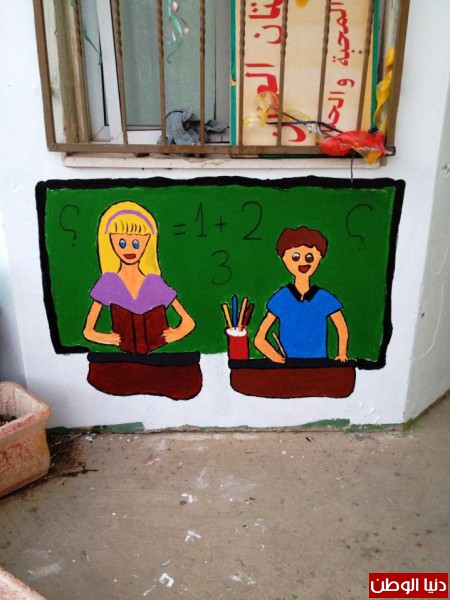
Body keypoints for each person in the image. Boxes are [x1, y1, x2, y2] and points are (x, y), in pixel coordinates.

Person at [83, 201, 195, 347]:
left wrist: (176, 334)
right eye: (122, 243)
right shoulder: (109, 282)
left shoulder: (153, 282)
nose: (129, 250)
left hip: (159, 356)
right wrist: (106, 338)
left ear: (147, 241)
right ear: (110, 241)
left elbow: (188, 322)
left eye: (136, 243)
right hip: (123, 358)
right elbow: (88, 332)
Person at [254, 226, 348, 364]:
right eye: (295, 257)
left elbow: (342, 327)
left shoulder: (323, 298)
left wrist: (342, 354)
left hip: (319, 366)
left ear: (319, 257)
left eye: (309, 257)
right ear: (284, 259)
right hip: (288, 367)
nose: (303, 262)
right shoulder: (282, 298)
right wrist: (275, 357)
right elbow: (259, 339)